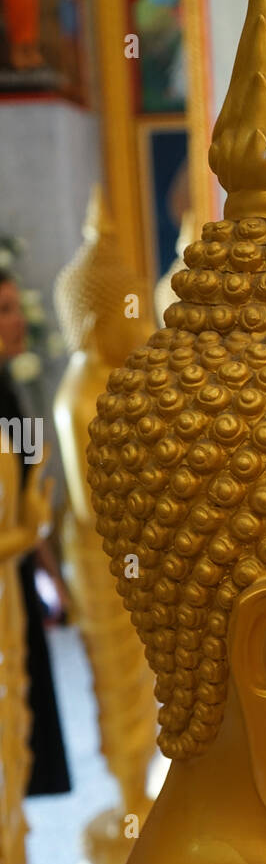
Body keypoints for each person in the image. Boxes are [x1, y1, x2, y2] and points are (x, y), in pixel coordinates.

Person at [0, 270, 70, 795]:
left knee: (25, 718)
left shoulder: (9, 389)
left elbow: (29, 494)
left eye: (16, 306)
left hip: (18, 574)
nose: (18, 320)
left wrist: (53, 580)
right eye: (4, 310)